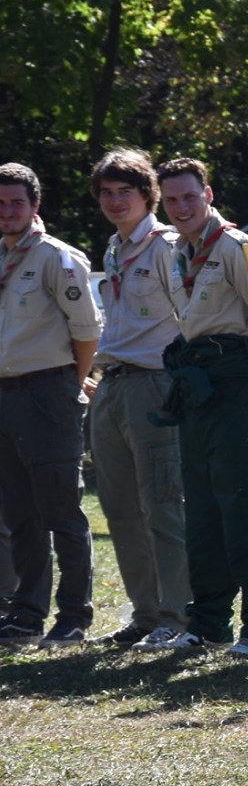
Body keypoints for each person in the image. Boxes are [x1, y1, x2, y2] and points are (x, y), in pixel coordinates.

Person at [153, 158, 248, 656]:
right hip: (197, 383)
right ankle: (207, 622)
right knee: (202, 506)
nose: (182, 208)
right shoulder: (176, 251)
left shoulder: (236, 247)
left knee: (245, 504)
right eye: (172, 200)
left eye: (190, 197)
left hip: (237, 379)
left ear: (208, 194)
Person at [88, 149, 189, 649]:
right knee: (121, 508)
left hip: (154, 383)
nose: (113, 201)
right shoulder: (113, 249)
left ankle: (178, 615)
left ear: (147, 194)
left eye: (123, 191)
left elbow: (187, 317)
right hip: (112, 383)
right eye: (105, 193)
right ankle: (145, 613)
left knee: (163, 504)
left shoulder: (166, 245)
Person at [0, 163, 102, 648]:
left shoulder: (57, 259)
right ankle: (27, 612)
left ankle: (74, 615)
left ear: (35, 205)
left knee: (61, 510)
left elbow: (87, 332)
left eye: (16, 202)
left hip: (48, 391)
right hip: (5, 395)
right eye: (0, 204)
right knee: (20, 513)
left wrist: (70, 385)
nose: (8, 212)